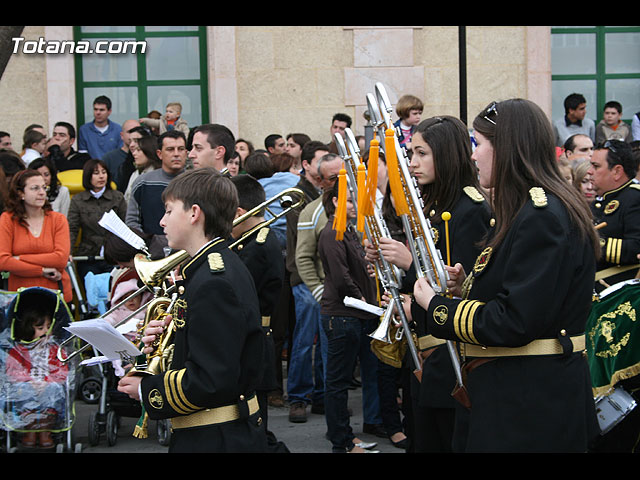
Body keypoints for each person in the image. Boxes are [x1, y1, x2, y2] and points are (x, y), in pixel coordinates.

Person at [411, 98, 600, 452]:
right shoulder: (529, 210)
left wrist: (436, 306)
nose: (472, 156)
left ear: (508, 148)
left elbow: (515, 320)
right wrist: (467, 284)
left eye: (479, 144)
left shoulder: (541, 216)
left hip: (527, 406)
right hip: (522, 398)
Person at [117, 167, 268, 453]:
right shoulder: (207, 269)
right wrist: (165, 343)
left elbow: (212, 378)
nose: (162, 221)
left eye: (169, 211)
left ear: (194, 213)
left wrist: (146, 390)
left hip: (215, 438)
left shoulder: (213, 281)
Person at [366, 116, 492, 452]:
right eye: (410, 153)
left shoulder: (470, 209)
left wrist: (407, 263)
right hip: (424, 350)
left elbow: (465, 288)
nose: (412, 162)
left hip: (451, 353)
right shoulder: (435, 207)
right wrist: (390, 264)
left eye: (421, 153)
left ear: (447, 154)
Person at [317, 179, 381, 453]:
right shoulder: (333, 232)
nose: (356, 206)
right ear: (336, 201)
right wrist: (363, 298)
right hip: (342, 315)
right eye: (350, 200)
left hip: (352, 315)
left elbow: (353, 270)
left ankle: (345, 436)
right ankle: (341, 442)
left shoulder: (347, 230)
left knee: (341, 382)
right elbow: (341, 277)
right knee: (337, 383)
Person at [230, 174, 288, 452]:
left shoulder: (259, 245)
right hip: (251, 337)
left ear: (240, 213)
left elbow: (238, 296)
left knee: (256, 429)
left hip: (254, 339)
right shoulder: (252, 240)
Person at [285, 141, 331, 423]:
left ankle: (324, 397)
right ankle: (299, 398)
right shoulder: (298, 195)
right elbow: (302, 246)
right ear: (307, 165)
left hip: (326, 279)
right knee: (304, 341)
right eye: (320, 161)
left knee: (327, 341)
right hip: (304, 277)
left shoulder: (327, 192)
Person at [3, 300, 69, 448]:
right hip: (28, 384)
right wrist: (30, 381)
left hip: (47, 384)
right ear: (28, 328)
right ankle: (30, 428)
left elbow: (62, 371)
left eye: (48, 327)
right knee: (21, 389)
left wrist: (47, 381)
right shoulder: (18, 351)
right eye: (40, 328)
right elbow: (12, 371)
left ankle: (46, 428)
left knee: (55, 389)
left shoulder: (55, 350)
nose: (46, 331)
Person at [0, 170, 73, 303]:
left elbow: (61, 259)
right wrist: (41, 270)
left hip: (56, 295)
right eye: (35, 188)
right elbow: (3, 260)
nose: (42, 192)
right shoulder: (7, 219)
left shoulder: (58, 219)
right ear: (20, 193)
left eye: (44, 188)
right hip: (20, 296)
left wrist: (20, 258)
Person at [587, 139, 640, 289]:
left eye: (596, 166)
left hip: (617, 292)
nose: (589, 171)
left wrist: (594, 243)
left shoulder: (634, 198)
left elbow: (637, 246)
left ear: (617, 171)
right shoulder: (601, 201)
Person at [126, 130, 187, 252]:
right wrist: (147, 244)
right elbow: (132, 221)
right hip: (151, 253)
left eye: (180, 149)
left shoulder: (197, 183)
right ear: (159, 154)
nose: (176, 154)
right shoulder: (143, 182)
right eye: (170, 149)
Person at [67, 158, 127, 281]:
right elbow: (72, 228)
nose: (101, 177)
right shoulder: (78, 200)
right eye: (96, 173)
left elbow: (125, 226)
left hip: (113, 256)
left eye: (103, 172)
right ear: (88, 176)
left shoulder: (117, 197)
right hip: (88, 255)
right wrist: (68, 251)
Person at [77, 95, 123, 160]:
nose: (98, 113)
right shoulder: (84, 130)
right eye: (95, 109)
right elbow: (83, 155)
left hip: (112, 168)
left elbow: (120, 154)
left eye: (102, 110)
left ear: (109, 111)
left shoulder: (118, 130)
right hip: (91, 168)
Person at [101, 119, 142, 189]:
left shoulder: (147, 157)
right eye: (130, 131)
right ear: (122, 135)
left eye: (137, 131)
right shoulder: (109, 158)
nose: (134, 135)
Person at [124, 135, 161, 203]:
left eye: (138, 150)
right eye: (134, 150)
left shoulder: (158, 176)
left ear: (149, 151)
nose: (134, 153)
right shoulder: (135, 174)